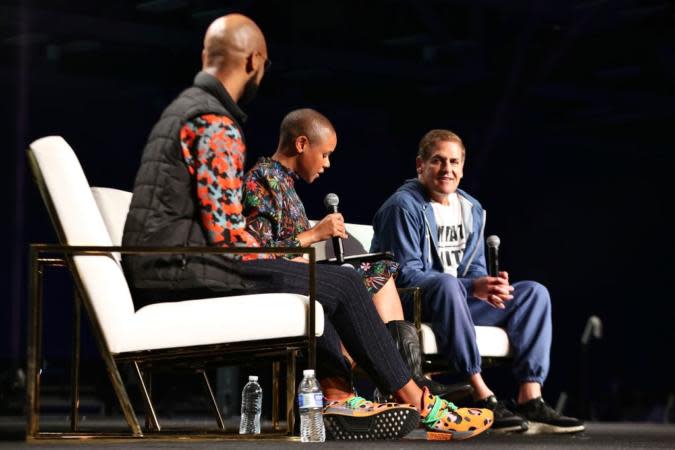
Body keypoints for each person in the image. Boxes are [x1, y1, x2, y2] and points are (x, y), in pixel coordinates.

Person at [121, 16, 492, 440]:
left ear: (206, 57)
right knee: (340, 283)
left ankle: (341, 396)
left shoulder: (181, 111)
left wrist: (293, 266)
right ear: (255, 61)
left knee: (329, 281)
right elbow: (226, 235)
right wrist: (287, 257)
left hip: (170, 262)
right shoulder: (214, 124)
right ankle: (417, 401)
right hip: (185, 267)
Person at [242, 108, 470, 400]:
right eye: (324, 154)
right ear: (301, 144)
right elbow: (256, 254)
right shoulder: (260, 180)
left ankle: (407, 376)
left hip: (303, 276)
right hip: (275, 281)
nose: (327, 163)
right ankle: (403, 384)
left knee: (381, 268)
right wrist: (315, 234)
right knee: (356, 277)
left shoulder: (285, 183)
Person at [371, 129, 585, 434]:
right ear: (420, 165)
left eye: (454, 162)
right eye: (437, 161)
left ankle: (530, 397)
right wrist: (469, 287)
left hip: (454, 300)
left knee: (534, 294)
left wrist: (488, 286)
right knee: (446, 284)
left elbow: (473, 273)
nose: (447, 169)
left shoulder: (470, 208)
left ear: (462, 167)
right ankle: (481, 394)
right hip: (413, 303)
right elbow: (402, 274)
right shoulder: (402, 207)